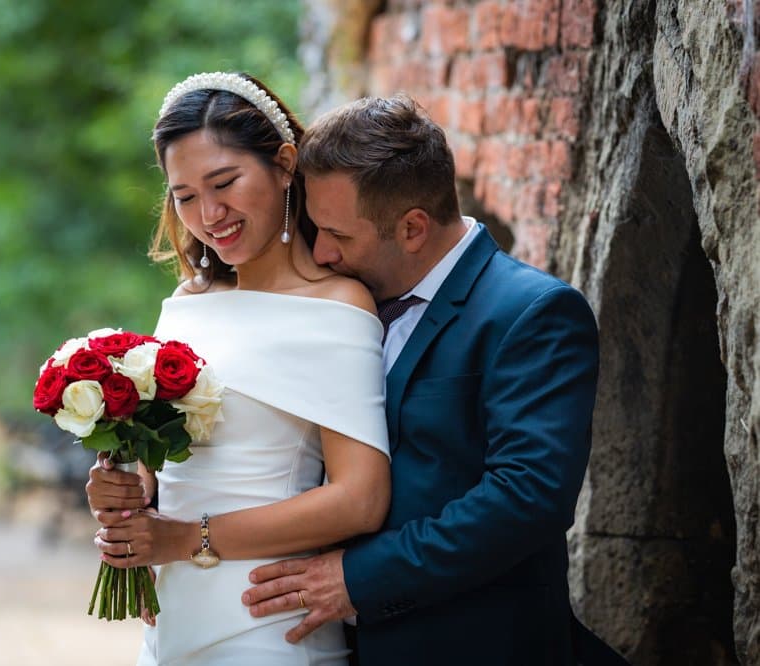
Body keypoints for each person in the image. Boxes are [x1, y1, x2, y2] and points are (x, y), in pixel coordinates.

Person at [240, 95, 613, 665]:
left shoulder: (532, 312)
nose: (321, 251)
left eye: (339, 234)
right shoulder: (339, 303)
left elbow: (526, 498)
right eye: (315, 228)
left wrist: (358, 578)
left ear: (413, 228)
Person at [86, 72, 393, 665]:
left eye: (225, 182)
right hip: (172, 617)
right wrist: (130, 496)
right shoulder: (185, 302)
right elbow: (175, 468)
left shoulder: (336, 307)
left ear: (284, 166)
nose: (210, 213)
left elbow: (360, 499)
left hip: (266, 623)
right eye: (185, 196)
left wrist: (186, 538)